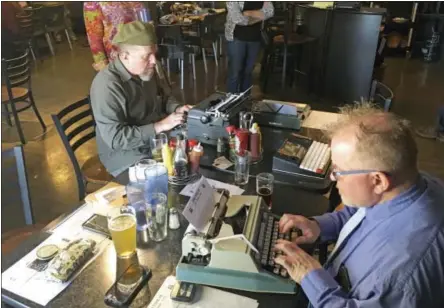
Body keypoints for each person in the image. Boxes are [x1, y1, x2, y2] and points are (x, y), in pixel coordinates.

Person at [273, 103, 444, 307]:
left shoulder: (401, 276)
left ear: (378, 180)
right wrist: (319, 226)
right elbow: (361, 212)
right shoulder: (408, 182)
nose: (333, 178)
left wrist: (311, 277)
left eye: (338, 171)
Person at [90, 21, 191, 184]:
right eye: (146, 56)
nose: (153, 60)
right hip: (125, 155)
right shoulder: (107, 85)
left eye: (154, 53)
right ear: (124, 56)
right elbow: (116, 139)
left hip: (154, 141)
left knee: (194, 158)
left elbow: (165, 97)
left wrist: (178, 108)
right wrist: (160, 126)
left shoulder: (147, 70)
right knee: (168, 184)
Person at [83, 1, 151, 71]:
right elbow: (94, 38)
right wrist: (104, 68)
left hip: (144, 54)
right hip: (118, 61)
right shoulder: (92, 3)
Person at [225, 1, 274, 93]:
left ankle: (245, 100)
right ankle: (231, 102)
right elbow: (237, 19)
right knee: (235, 72)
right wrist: (259, 16)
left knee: (248, 71)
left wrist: (248, 13)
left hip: (255, 37)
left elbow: (270, 12)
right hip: (236, 37)